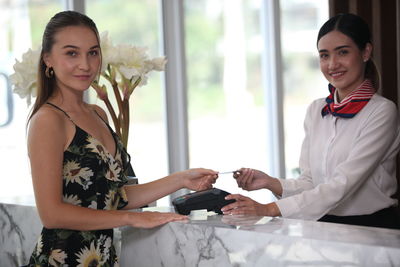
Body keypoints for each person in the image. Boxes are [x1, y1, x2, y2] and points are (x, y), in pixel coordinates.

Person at [25, 11, 217, 266]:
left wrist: (180, 179)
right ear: (48, 58)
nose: (85, 64)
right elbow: (52, 214)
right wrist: (131, 219)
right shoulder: (48, 120)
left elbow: (114, 196)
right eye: (72, 53)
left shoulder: (97, 113)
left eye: (93, 52)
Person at [221, 13, 400, 229]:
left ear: (365, 52)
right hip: (322, 226)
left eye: (343, 52)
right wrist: (271, 183)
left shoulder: (382, 112)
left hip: (372, 229)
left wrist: (268, 209)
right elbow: (311, 183)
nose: (333, 64)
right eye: (324, 55)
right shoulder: (317, 110)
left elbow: (342, 185)